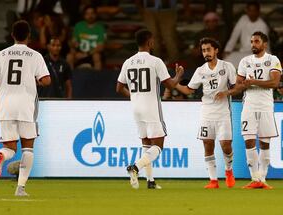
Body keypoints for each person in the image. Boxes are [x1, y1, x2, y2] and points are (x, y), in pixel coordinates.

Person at [0, 20, 51, 196]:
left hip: (5, 105)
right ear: (29, 35)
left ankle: (1, 157)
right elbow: (46, 80)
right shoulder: (35, 55)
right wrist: (35, 80)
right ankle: (20, 188)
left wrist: (3, 84)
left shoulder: (1, 54)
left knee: (10, 148)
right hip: (26, 105)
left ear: (12, 35)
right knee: (27, 148)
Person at [116, 29, 184, 189]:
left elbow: (119, 87)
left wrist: (133, 96)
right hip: (151, 107)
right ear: (149, 42)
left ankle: (150, 181)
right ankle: (135, 167)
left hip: (136, 107)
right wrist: (179, 75)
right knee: (158, 146)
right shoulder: (155, 61)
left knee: (146, 144)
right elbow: (170, 85)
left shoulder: (128, 62)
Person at [176, 38, 237, 189]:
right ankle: (213, 180)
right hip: (207, 112)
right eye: (203, 50)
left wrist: (227, 92)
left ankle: (229, 171)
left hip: (223, 112)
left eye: (208, 49)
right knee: (207, 144)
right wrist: (174, 81)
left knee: (225, 145)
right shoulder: (200, 70)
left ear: (216, 50)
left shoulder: (227, 66)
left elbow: (238, 87)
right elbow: (188, 90)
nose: (206, 53)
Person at [236, 31, 281, 189]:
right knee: (248, 141)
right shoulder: (245, 61)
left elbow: (274, 83)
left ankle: (262, 178)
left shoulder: (273, 60)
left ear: (265, 44)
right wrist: (243, 84)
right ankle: (255, 178)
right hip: (249, 105)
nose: (253, 44)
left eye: (256, 41)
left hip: (265, 105)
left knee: (264, 143)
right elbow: (239, 83)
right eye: (252, 41)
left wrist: (253, 81)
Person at [223, 1, 269, 68]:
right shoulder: (243, 19)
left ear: (258, 12)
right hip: (243, 53)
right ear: (247, 11)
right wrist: (227, 49)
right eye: (250, 10)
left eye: (254, 11)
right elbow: (234, 35)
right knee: (227, 61)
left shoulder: (262, 25)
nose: (252, 13)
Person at [67, 5, 106, 70]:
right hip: (79, 53)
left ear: (96, 15)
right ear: (84, 15)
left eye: (92, 13)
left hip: (92, 54)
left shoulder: (100, 28)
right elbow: (73, 42)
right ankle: (71, 78)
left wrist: (86, 54)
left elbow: (101, 47)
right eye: (87, 14)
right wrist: (73, 44)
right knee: (69, 56)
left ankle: (97, 78)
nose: (90, 16)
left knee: (96, 56)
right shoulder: (79, 26)